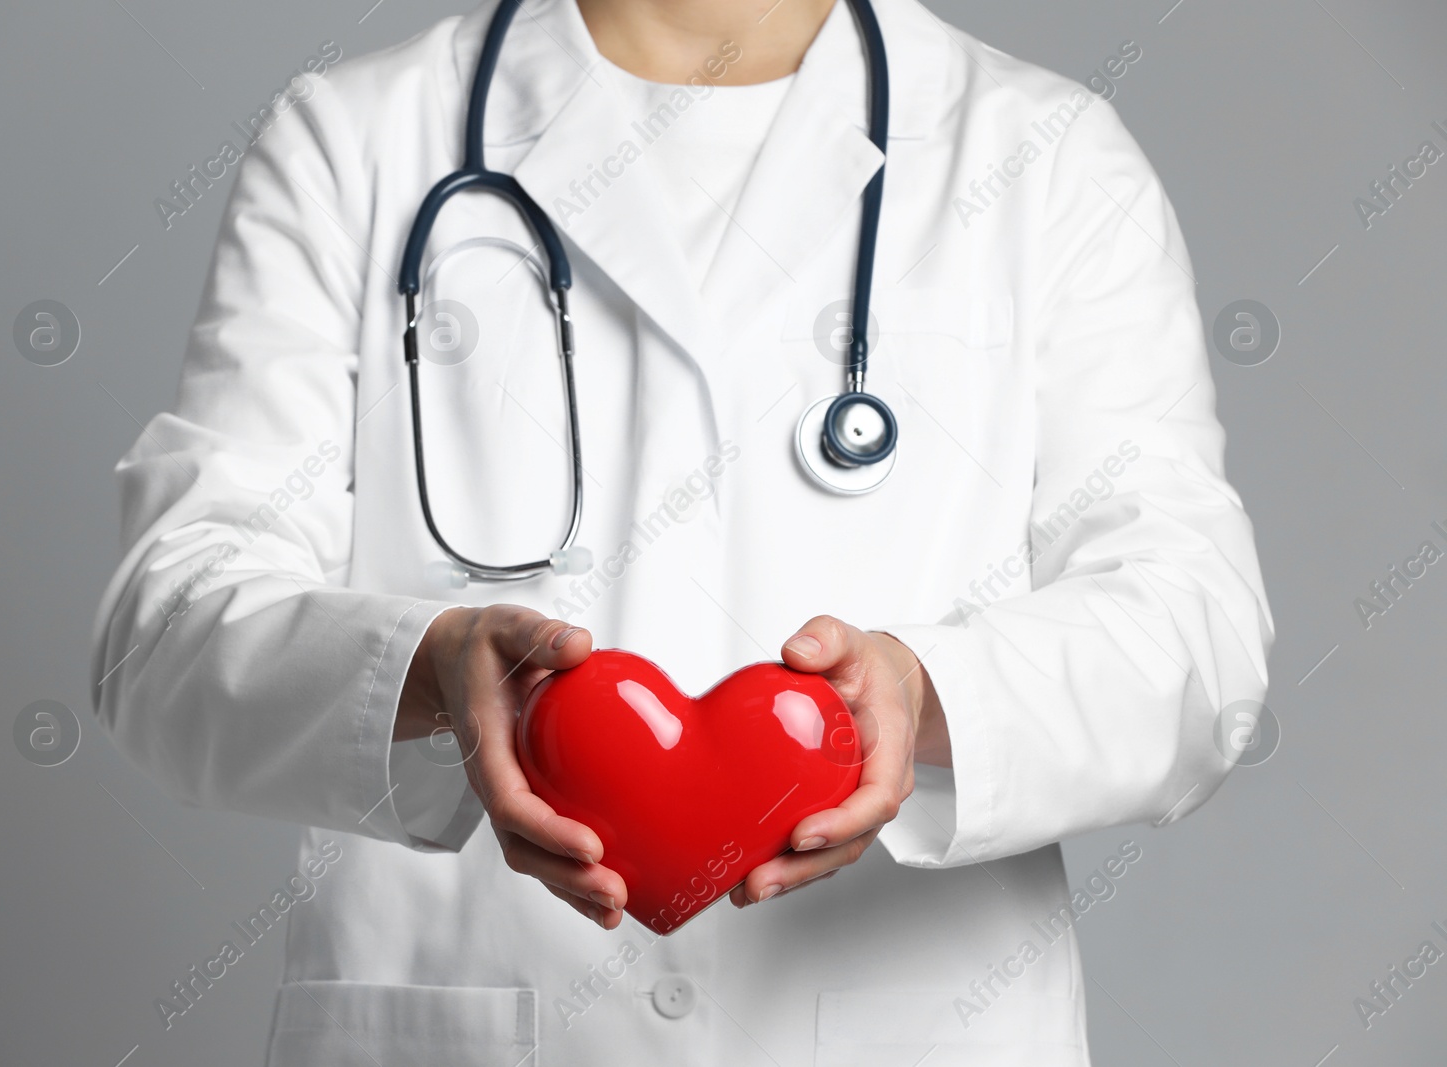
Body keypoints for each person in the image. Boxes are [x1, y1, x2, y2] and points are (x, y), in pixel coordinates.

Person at [91, 0, 1272, 1063]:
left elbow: (1197, 639)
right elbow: (165, 629)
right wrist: (428, 668)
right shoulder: (355, 141)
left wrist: (927, 691)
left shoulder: (1045, 158)